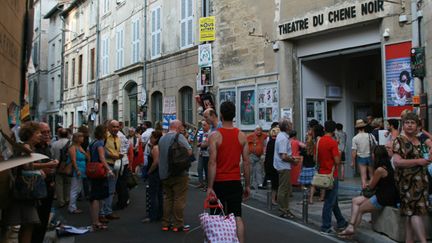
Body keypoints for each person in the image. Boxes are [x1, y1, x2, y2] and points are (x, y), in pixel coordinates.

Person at [207, 101, 251, 243]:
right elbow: (246, 162)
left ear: (220, 115)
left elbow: (212, 162)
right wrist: (248, 185)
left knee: (216, 217)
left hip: (219, 182)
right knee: (237, 216)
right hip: (235, 181)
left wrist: (209, 186)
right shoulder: (242, 136)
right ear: (234, 115)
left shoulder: (215, 136)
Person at [338, 145, 399, 237]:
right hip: (382, 194)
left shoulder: (380, 170)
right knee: (355, 200)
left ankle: (352, 229)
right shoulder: (387, 166)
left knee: (361, 209)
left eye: (373, 154)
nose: (372, 156)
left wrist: (367, 184)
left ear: (376, 155)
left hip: (383, 197)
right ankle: (350, 227)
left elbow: (371, 186)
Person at [392, 112, 430, 243]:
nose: (409, 125)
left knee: (410, 214)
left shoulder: (420, 141)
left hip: (421, 182)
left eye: (412, 123)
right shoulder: (400, 140)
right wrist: (418, 161)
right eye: (407, 122)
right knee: (415, 213)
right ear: (403, 125)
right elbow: (397, 162)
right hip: (407, 183)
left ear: (417, 126)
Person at [2, 122, 43, 243]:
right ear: (30, 135)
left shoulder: (27, 147)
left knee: (27, 224)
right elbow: (25, 166)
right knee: (28, 224)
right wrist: (43, 168)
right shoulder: (25, 148)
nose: (40, 135)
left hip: (24, 193)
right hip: (24, 193)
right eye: (38, 133)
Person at [158, 120, 192, 232]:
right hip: (178, 173)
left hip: (164, 173)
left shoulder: (162, 138)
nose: (182, 128)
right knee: (179, 199)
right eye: (181, 126)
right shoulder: (179, 137)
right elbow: (189, 152)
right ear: (177, 127)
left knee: (168, 198)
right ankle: (178, 224)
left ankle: (165, 223)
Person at [318, 120, 348, 235]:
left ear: (325, 129)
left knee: (333, 200)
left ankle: (341, 221)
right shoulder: (332, 142)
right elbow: (337, 160)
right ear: (334, 130)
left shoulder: (320, 141)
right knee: (329, 201)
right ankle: (326, 226)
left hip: (323, 172)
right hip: (331, 174)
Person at [32, 122, 59, 243]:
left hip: (48, 186)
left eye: (48, 131)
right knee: (37, 220)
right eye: (43, 132)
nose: (47, 134)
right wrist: (44, 168)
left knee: (43, 218)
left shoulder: (47, 146)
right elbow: (26, 166)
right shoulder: (33, 147)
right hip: (37, 188)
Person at [88, 125, 113, 230]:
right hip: (99, 171)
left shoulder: (92, 142)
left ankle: (95, 220)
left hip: (93, 170)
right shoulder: (100, 143)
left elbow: (89, 156)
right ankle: (96, 222)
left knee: (94, 196)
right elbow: (102, 158)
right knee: (97, 197)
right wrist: (109, 169)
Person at [273, 118, 297, 219]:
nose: (292, 126)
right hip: (283, 166)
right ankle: (283, 209)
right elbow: (283, 156)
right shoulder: (283, 138)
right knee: (284, 189)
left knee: (285, 189)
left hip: (282, 166)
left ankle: (285, 209)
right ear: (287, 127)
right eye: (290, 124)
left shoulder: (282, 136)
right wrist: (293, 160)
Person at [100, 120, 121, 221]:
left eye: (117, 127)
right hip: (107, 166)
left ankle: (108, 211)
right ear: (108, 127)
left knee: (112, 190)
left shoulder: (118, 138)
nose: (116, 129)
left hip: (115, 165)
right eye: (113, 127)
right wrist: (113, 155)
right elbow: (103, 151)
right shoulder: (105, 138)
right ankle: (102, 213)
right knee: (105, 190)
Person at [142, 131, 164, 223]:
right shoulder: (160, 147)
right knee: (159, 194)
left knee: (153, 194)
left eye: (151, 137)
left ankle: (153, 215)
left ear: (155, 138)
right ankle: (159, 214)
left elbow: (155, 162)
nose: (150, 139)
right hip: (160, 173)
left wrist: (149, 172)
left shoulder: (155, 148)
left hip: (155, 173)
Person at [351, 119, 376, 189]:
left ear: (356, 128)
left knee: (363, 176)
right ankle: (372, 189)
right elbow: (375, 145)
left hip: (361, 158)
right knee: (371, 175)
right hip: (370, 157)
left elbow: (354, 151)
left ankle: (364, 190)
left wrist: (352, 162)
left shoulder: (355, 138)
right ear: (364, 127)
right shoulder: (370, 135)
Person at [67, 132, 88, 214]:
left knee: (78, 188)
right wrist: (77, 170)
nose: (83, 138)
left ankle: (73, 206)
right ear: (77, 138)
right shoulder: (73, 148)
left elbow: (86, 156)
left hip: (82, 169)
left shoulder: (79, 147)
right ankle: (72, 207)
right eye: (81, 137)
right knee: (75, 188)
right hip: (78, 170)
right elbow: (73, 160)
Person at [51, 128, 71, 208]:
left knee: (59, 184)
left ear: (59, 135)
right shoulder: (70, 143)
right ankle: (67, 198)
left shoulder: (54, 144)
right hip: (68, 166)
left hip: (57, 165)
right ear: (67, 134)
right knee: (68, 183)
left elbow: (52, 155)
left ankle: (61, 201)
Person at [298, 128, 316, 204]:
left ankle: (305, 197)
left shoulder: (303, 150)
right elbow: (315, 159)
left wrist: (300, 168)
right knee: (312, 185)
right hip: (313, 168)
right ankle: (311, 199)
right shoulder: (314, 148)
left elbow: (301, 160)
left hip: (305, 168)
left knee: (303, 184)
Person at [247, 125, 267, 189]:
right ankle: (250, 185)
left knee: (259, 170)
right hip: (251, 155)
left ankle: (260, 184)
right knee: (251, 171)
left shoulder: (263, 135)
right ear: (254, 130)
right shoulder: (250, 136)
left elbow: (268, 136)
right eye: (257, 130)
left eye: (260, 130)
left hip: (259, 156)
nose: (259, 132)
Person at [196, 120, 210, 189]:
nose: (202, 127)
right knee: (200, 168)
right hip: (202, 153)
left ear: (209, 125)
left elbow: (206, 144)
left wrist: (201, 145)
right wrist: (200, 145)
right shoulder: (202, 133)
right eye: (202, 125)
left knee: (207, 170)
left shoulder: (210, 133)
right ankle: (201, 183)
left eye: (204, 125)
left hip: (208, 155)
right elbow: (201, 142)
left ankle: (207, 185)